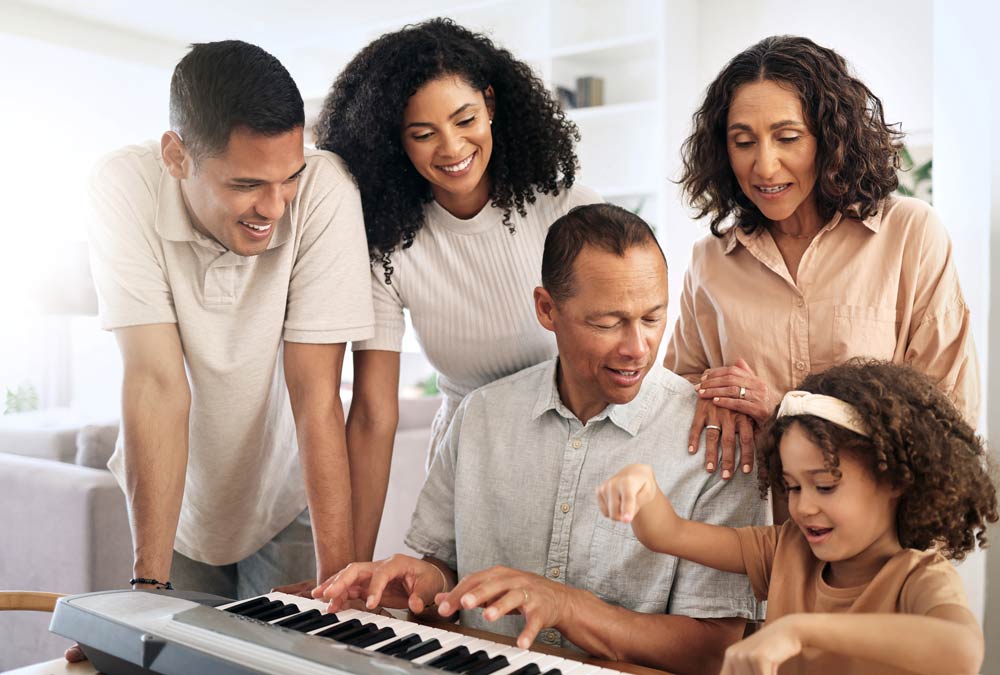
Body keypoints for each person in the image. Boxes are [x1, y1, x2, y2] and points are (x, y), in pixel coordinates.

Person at [313, 204, 766, 675]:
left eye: (652, 319)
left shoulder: (718, 441)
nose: (636, 347)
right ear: (547, 309)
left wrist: (567, 607)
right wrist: (417, 581)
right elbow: (441, 571)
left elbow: (715, 650)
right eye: (607, 323)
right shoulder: (481, 415)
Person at [86, 42, 373, 603]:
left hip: (287, 498)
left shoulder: (325, 189)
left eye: (287, 177)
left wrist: (339, 593)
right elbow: (155, 384)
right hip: (175, 498)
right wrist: (147, 588)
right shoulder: (123, 186)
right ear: (177, 157)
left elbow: (316, 393)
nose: (275, 206)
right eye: (245, 185)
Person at [313, 18, 601, 562]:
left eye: (465, 119)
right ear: (394, 142)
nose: (451, 148)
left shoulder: (567, 210)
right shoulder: (389, 246)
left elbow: (621, 346)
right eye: (422, 134)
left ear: (490, 105)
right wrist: (349, 567)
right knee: (468, 618)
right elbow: (374, 414)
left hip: (576, 445)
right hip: (468, 463)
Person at [665, 35, 979, 482]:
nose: (765, 166)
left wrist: (781, 410)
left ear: (830, 138)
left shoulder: (909, 235)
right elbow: (680, 402)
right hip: (751, 534)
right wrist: (710, 401)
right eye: (743, 141)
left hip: (879, 538)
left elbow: (948, 418)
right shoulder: (710, 262)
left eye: (787, 137)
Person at [599, 360, 997, 675]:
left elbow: (961, 651)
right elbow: (669, 534)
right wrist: (644, 486)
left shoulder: (919, 577)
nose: (803, 507)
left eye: (824, 486)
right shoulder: (789, 548)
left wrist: (799, 631)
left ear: (894, 480)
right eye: (791, 487)